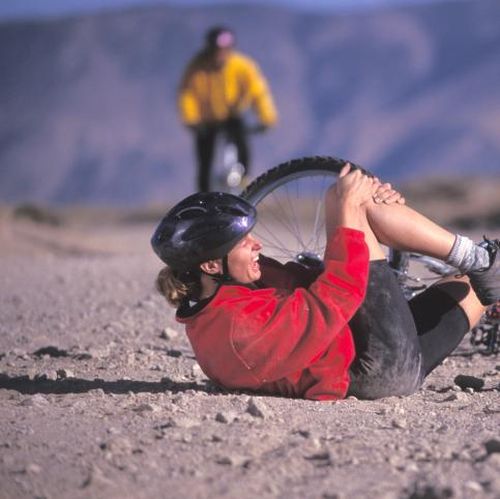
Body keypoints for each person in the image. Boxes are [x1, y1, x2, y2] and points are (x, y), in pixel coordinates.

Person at [151, 165, 500, 401]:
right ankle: (481, 257)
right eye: (244, 243)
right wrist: (351, 208)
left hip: (365, 346)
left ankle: (485, 267)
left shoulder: (227, 293)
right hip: (374, 367)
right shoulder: (237, 326)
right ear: (211, 263)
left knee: (479, 286)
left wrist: (364, 207)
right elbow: (335, 297)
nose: (256, 245)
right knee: (341, 199)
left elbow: (298, 281)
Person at [177, 26, 278, 192]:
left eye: (225, 50)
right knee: (205, 160)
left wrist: (267, 118)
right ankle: (203, 199)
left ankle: (245, 185)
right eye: (217, 50)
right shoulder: (196, 67)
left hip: (233, 116)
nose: (221, 54)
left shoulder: (243, 66)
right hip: (206, 120)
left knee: (242, 144)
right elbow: (187, 94)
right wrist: (191, 120)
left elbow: (258, 92)